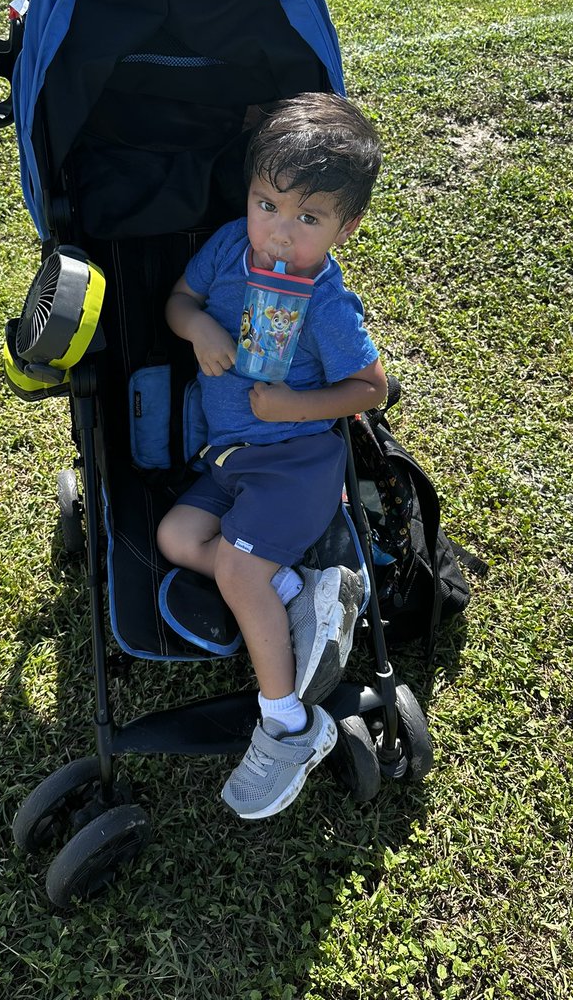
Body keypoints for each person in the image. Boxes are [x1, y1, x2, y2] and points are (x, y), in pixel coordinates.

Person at [157, 93, 387, 819]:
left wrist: (293, 405)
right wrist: (197, 328)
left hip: (293, 463)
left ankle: (289, 723)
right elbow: (177, 299)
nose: (278, 234)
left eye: (307, 219)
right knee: (175, 537)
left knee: (232, 563)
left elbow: (370, 388)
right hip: (228, 460)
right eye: (266, 204)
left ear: (345, 228)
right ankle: (294, 593)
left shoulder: (325, 300)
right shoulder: (229, 245)